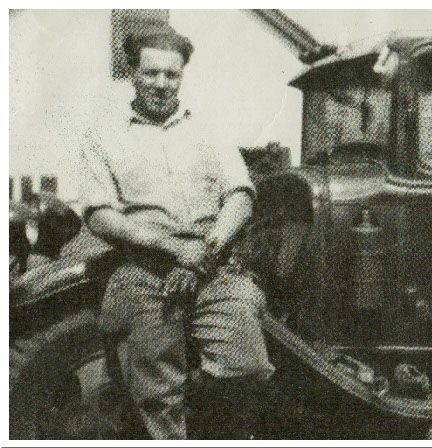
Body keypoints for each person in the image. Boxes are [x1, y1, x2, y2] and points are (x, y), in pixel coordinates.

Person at [78, 26, 273, 439]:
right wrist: (168, 247)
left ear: (182, 75)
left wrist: (206, 249)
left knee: (248, 367)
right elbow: (99, 214)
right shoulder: (103, 135)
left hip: (214, 265)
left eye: (172, 75)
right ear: (133, 72)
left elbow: (240, 195)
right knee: (156, 390)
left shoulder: (209, 129)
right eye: (151, 73)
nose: (161, 84)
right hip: (143, 270)